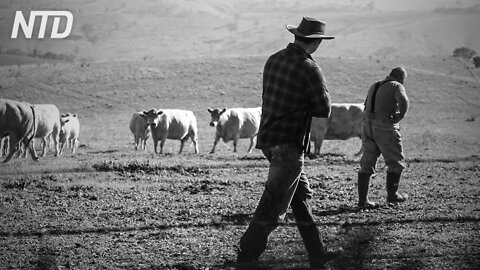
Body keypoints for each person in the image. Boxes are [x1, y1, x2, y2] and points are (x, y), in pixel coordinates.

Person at [236, 16, 342, 270]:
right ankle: (247, 254)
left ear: (297, 36)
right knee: (274, 204)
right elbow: (323, 109)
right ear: (316, 43)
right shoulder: (310, 68)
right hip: (290, 143)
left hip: (269, 140)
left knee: (299, 197)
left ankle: (318, 253)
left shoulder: (273, 59)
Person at [357, 67, 409, 208]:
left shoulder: (375, 85)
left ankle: (363, 201)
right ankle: (393, 196)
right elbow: (403, 101)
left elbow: (365, 104)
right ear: (401, 78)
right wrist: (399, 116)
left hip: (367, 127)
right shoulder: (397, 86)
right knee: (396, 162)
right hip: (384, 127)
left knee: (366, 164)